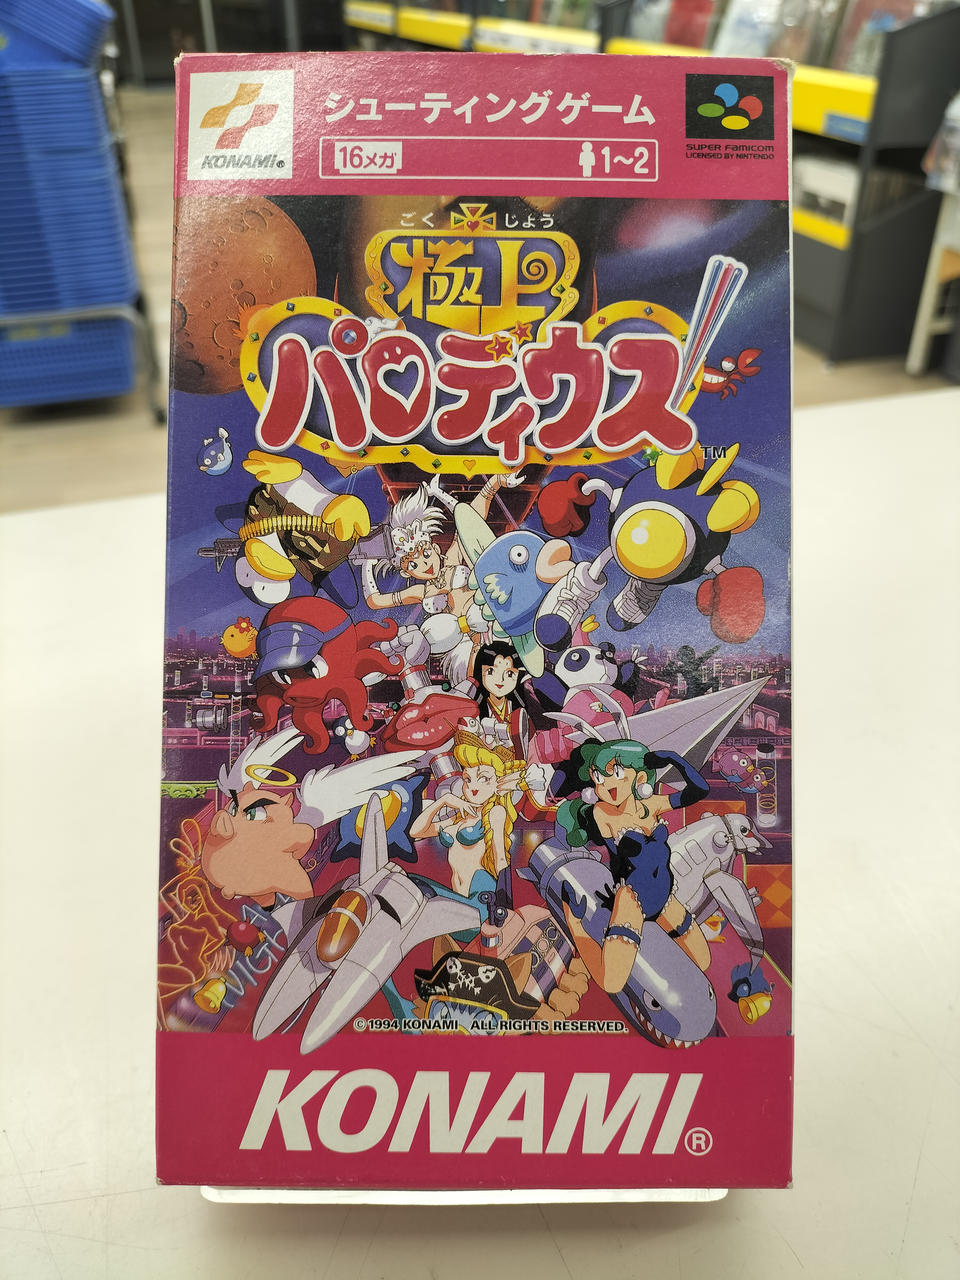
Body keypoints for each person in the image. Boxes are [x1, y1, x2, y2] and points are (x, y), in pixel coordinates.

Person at [556, 738, 712, 990]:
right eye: (598, 778)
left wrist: (672, 758)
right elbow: (616, 855)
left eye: (616, 772)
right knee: (611, 983)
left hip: (665, 897)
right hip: (632, 900)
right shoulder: (602, 813)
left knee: (703, 961)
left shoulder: (653, 805)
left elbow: (700, 790)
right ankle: (575, 921)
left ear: (639, 777)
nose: (606, 784)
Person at [410, 730, 525, 899]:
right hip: (460, 897)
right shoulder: (458, 818)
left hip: (482, 895)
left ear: (498, 783)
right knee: (416, 885)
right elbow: (416, 832)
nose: (473, 787)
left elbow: (500, 858)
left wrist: (505, 901)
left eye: (484, 778)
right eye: (467, 779)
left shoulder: (496, 812)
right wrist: (444, 800)